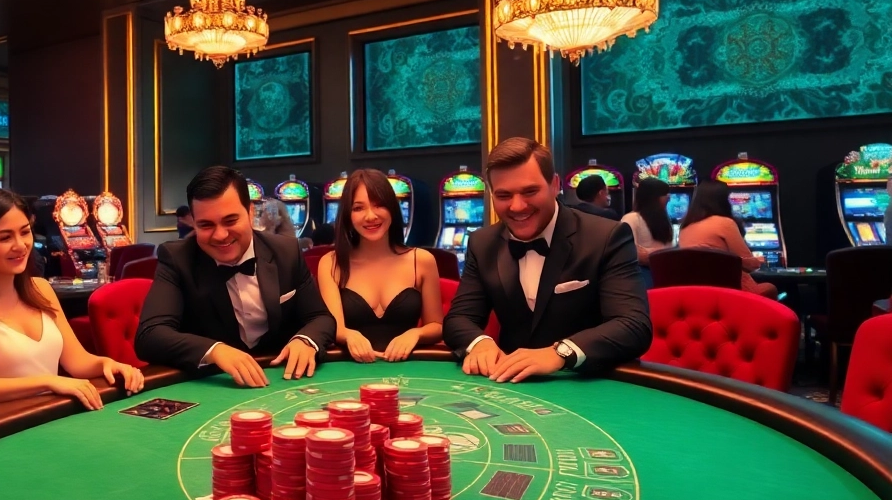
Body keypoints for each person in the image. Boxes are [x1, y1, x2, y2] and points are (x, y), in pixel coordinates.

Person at [443, 138, 651, 382]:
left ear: (554, 185)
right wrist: (481, 343)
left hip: (586, 384)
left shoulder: (606, 236)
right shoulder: (482, 242)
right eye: (503, 195)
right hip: (511, 387)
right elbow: (458, 319)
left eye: (530, 191)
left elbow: (633, 326)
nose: (517, 206)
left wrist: (560, 352)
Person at [0, 188, 144, 409]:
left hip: (49, 416)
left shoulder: (41, 288)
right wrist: (48, 382)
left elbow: (78, 362)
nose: (20, 245)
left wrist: (109, 364)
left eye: (25, 232)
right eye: (5, 237)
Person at [135, 166, 335, 387]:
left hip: (280, 379)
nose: (220, 235)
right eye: (206, 225)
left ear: (250, 212)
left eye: (230, 221)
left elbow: (320, 317)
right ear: (194, 222)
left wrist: (305, 340)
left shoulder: (285, 251)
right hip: (212, 384)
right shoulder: (177, 258)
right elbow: (149, 335)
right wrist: (215, 351)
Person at [316, 169, 443, 363]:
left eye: (379, 205)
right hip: (349, 370)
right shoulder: (331, 263)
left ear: (392, 208)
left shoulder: (422, 260)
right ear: (348, 215)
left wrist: (415, 334)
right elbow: (334, 328)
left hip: (407, 370)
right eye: (358, 208)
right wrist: (349, 335)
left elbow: (436, 325)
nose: (370, 216)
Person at [677, 179, 779, 299]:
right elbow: (749, 264)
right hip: (728, 290)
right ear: (722, 200)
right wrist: (761, 260)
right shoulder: (725, 223)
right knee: (770, 288)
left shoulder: (685, 227)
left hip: (697, 292)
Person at [621, 177, 674, 286]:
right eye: (665, 194)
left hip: (664, 272)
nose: (669, 198)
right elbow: (629, 252)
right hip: (642, 275)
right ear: (653, 198)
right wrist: (660, 255)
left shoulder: (665, 219)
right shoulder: (631, 219)